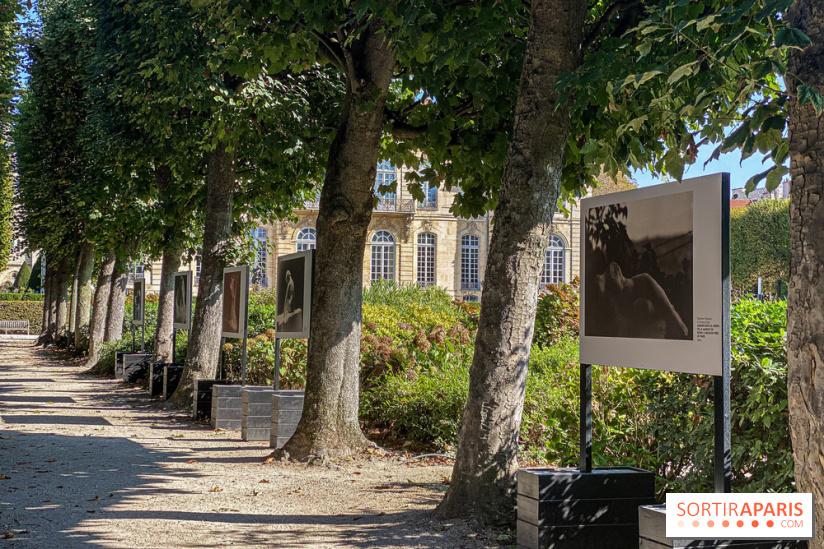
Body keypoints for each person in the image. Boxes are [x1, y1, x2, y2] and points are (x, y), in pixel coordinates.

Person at [591, 261, 689, 339]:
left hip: (657, 336)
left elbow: (668, 309)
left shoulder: (643, 281)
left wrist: (678, 327)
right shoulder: (618, 305)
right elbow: (624, 330)